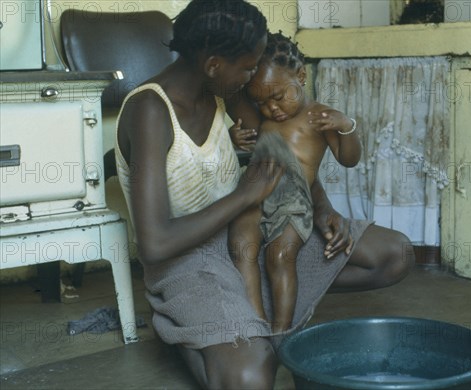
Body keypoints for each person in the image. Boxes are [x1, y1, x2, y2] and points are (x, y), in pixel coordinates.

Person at [115, 1, 414, 388]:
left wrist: (321, 208)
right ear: (213, 65)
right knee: (253, 377)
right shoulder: (150, 111)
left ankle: (243, 317)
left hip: (250, 239)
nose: (253, 76)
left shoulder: (228, 94)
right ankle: (193, 326)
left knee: (395, 255)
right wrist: (244, 195)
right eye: (248, 66)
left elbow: (282, 162)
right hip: (187, 261)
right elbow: (155, 244)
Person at [227, 32, 362, 334]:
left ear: (301, 76)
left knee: (280, 257)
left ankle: (281, 331)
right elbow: (241, 143)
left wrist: (347, 127)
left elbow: (349, 159)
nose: (271, 108)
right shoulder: (264, 119)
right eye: (260, 102)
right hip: (252, 194)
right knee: (242, 247)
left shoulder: (319, 117)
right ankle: (255, 324)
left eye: (277, 97)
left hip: (293, 201)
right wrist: (231, 138)